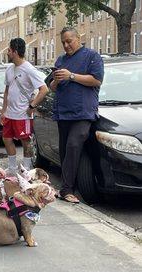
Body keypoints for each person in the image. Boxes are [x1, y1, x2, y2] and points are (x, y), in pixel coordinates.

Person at [50, 27, 104, 204]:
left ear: (78, 38)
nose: (66, 45)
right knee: (65, 150)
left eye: (69, 41)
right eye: (63, 42)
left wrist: (71, 75)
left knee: (74, 145)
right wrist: (57, 80)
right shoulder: (61, 60)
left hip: (83, 112)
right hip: (63, 112)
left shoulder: (92, 56)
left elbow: (96, 80)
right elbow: (52, 87)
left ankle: (67, 189)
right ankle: (66, 188)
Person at [0, 38, 48, 176]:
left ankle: (26, 169)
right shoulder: (9, 69)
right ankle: (12, 167)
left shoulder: (29, 69)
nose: (7, 53)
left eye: (9, 50)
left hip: (23, 114)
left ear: (15, 51)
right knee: (6, 139)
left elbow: (44, 89)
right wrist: (3, 111)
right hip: (9, 113)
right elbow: (7, 91)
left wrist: (32, 105)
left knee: (26, 141)